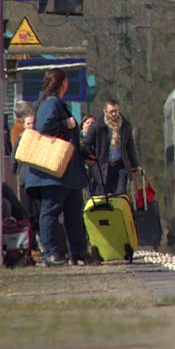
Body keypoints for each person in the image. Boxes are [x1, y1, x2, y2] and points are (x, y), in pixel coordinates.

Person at [22, 68, 91, 266]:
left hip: (67, 173)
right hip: (54, 172)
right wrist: (66, 123)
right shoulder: (51, 103)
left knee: (73, 213)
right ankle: (51, 252)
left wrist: (84, 155)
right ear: (62, 83)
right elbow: (45, 127)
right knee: (50, 211)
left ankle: (78, 253)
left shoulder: (53, 103)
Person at [83, 97, 140, 196]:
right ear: (105, 111)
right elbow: (86, 144)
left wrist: (135, 165)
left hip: (120, 166)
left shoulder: (125, 125)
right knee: (101, 198)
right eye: (111, 111)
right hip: (103, 167)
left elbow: (130, 146)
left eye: (116, 111)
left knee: (120, 196)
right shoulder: (97, 126)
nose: (114, 114)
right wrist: (92, 159)